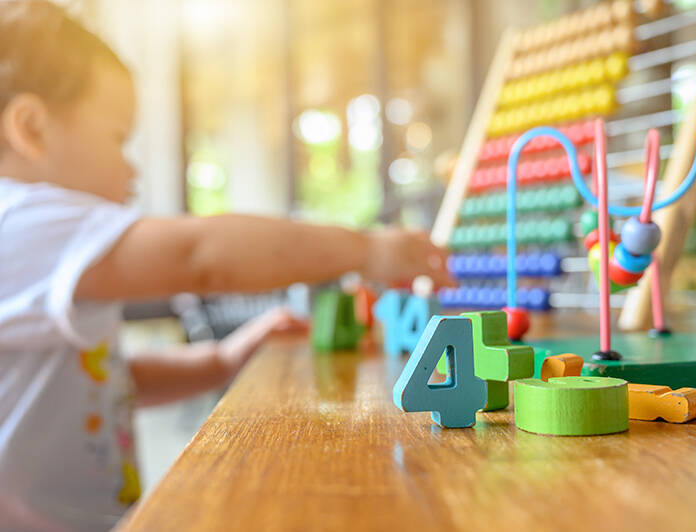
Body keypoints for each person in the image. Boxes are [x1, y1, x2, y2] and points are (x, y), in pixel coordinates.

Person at [0, 1, 452, 530]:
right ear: (31, 128)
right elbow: (199, 255)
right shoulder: (17, 221)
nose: (132, 168)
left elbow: (104, 380)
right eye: (118, 139)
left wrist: (219, 360)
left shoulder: (41, 252)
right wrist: (367, 249)